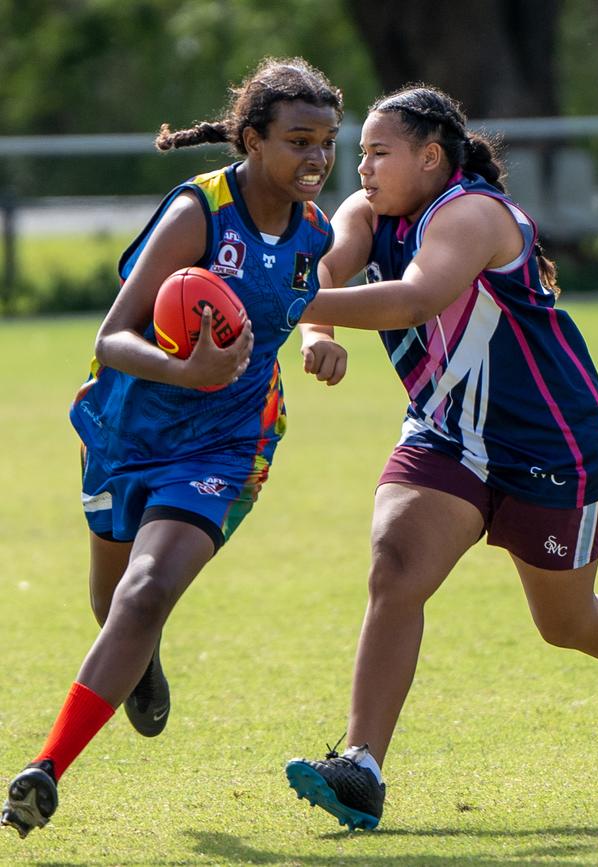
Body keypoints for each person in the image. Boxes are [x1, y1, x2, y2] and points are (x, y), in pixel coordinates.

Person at [286, 84, 598, 831]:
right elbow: (320, 274)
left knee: (568, 623)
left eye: (379, 153)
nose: (363, 167)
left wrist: (287, 309)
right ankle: (361, 766)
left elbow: (415, 298)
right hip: (445, 432)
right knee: (395, 564)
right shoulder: (366, 213)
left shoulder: (472, 214)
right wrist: (315, 331)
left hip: (551, 441)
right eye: (361, 154)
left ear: (430, 156)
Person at [1, 56, 347, 838]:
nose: (318, 158)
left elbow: (285, 308)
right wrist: (185, 370)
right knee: (113, 600)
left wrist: (317, 341)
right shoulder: (199, 214)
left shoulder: (314, 232)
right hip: (129, 427)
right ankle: (139, 661)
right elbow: (113, 336)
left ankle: (42, 771)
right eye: (299, 140)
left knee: (147, 589)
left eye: (328, 141)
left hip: (229, 444)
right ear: (251, 141)